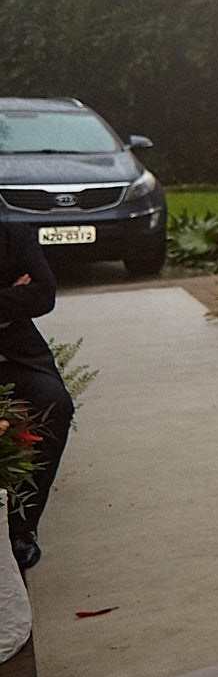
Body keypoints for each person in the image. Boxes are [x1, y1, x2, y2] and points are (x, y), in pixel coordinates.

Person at [0, 225, 72, 571]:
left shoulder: (12, 235)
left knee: (53, 403)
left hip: (15, 357)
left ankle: (21, 526)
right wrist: (10, 301)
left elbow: (43, 294)